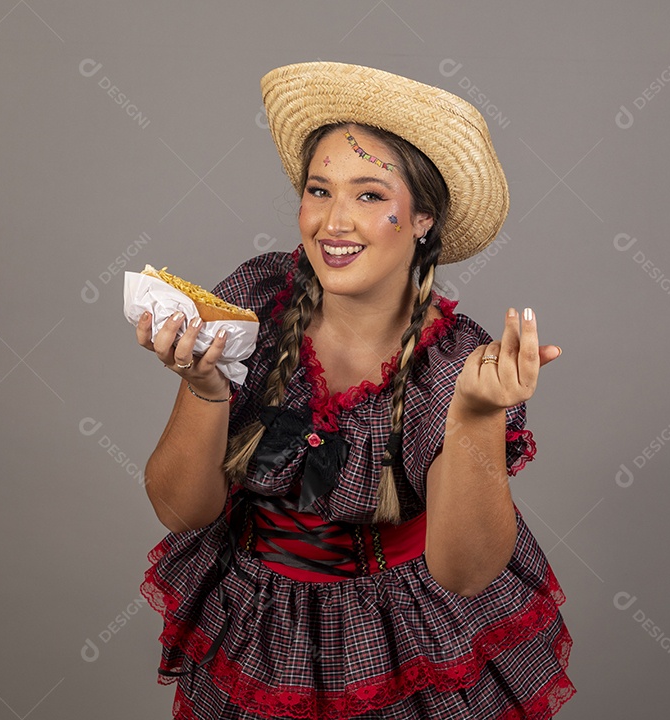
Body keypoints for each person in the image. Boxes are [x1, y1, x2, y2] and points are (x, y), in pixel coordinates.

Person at [134, 61, 575, 719]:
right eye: (319, 190)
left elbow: (465, 571)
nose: (333, 222)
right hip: (255, 627)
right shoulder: (256, 300)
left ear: (424, 216)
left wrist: (478, 415)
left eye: (369, 195)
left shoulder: (456, 365)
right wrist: (205, 390)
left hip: (397, 642)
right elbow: (181, 510)